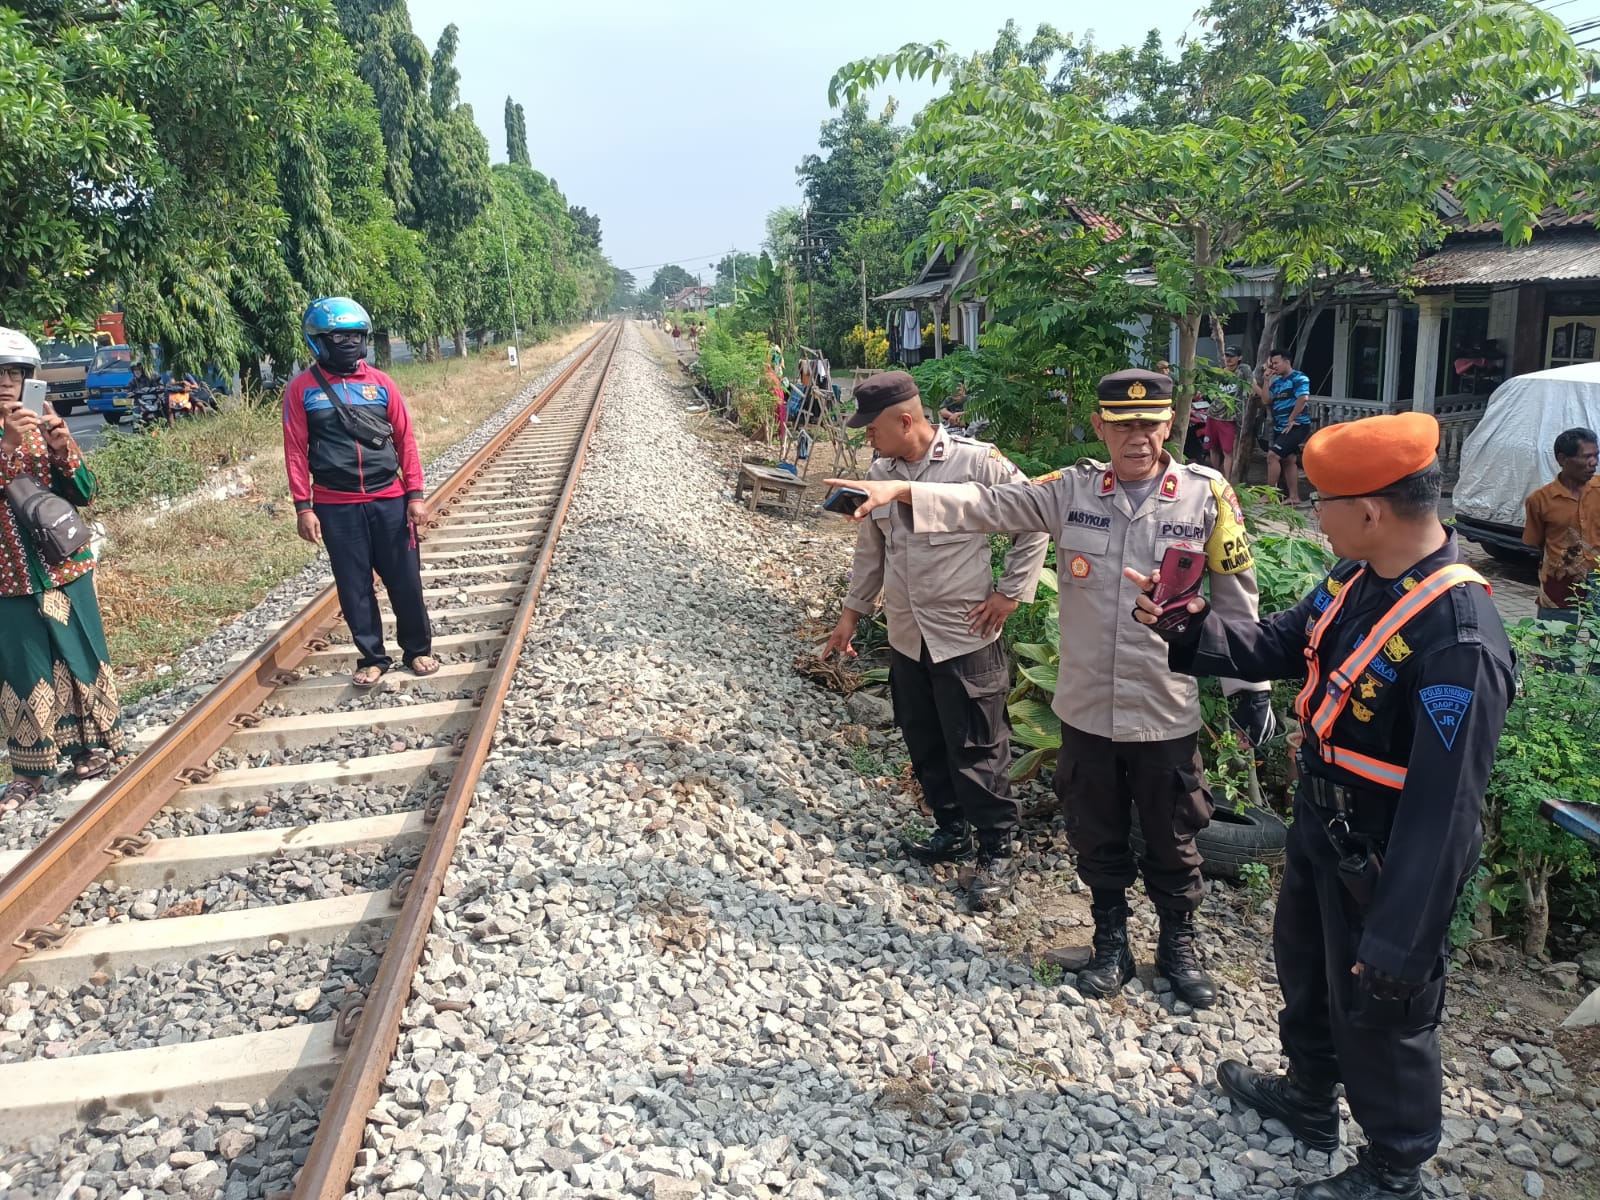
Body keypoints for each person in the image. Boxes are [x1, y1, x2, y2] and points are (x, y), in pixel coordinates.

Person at [1128, 412, 1514, 1200]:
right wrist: (1189, 624)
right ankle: (1310, 1096)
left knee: (1383, 1000)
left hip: (1390, 843)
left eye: (1320, 502)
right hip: (1323, 817)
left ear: (1370, 510)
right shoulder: (1354, 579)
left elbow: (1444, 813)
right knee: (1306, 965)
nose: (1311, 513)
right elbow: (1277, 643)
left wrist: (1404, 938)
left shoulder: (1457, 638)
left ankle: (1393, 1165)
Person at [829, 369, 1276, 1008]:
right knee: (1094, 831)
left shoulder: (1206, 497)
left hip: (1163, 706)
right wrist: (903, 489)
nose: (1137, 438)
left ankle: (1179, 947)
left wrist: (1248, 687)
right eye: (1122, 425)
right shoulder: (1071, 492)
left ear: (1169, 425)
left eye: (1149, 424)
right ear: (1099, 427)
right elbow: (984, 507)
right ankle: (1110, 943)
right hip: (1087, 706)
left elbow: (1236, 598)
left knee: (1175, 833)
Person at [821, 371, 1049, 910]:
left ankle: (997, 850)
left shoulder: (977, 462)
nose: (866, 439)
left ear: (905, 420)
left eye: (872, 428)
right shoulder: (880, 471)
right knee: (923, 737)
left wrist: (1011, 593)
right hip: (906, 634)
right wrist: (850, 617)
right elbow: (870, 551)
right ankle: (951, 829)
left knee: (977, 745)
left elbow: (1035, 518)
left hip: (963, 633)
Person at [283, 297, 437, 688]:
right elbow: (295, 451)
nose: (349, 342)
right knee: (354, 586)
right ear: (318, 340)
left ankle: (418, 650)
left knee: (405, 579)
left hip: (389, 499)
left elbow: (406, 440)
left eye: (356, 335)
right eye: (339, 336)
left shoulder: (382, 383)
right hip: (337, 507)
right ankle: (373, 657)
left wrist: (415, 494)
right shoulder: (302, 391)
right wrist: (304, 507)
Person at [0, 327, 124, 811]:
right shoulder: (13, 436)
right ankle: (29, 771)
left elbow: (84, 494)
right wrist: (6, 447)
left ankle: (93, 746)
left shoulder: (38, 423)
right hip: (8, 580)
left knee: (78, 655)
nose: (7, 383)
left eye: (15, 374)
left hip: (64, 568)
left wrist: (61, 446)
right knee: (24, 667)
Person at [1521, 426, 1599, 621]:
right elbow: (1537, 542)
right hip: (1558, 579)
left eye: (1596, 455)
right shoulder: (1539, 500)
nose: (1594, 463)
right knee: (1555, 645)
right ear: (1563, 459)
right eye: (1586, 457)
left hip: (1598, 577)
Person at [1258, 348, 1313, 504]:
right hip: (1280, 427)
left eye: (1276, 363)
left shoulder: (1299, 378)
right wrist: (1267, 380)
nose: (1274, 366)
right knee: (1289, 459)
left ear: (1286, 362)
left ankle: (1270, 494)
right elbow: (1266, 400)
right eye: (1272, 363)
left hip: (1297, 425)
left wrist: (1291, 418)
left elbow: (1303, 398)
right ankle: (1294, 496)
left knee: (1272, 456)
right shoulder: (1278, 382)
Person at [1211, 346, 1252, 479]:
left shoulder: (1243, 370)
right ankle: (1214, 475)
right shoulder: (1220, 373)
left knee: (1228, 451)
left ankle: (1227, 479)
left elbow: (1251, 385)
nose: (1228, 359)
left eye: (1232, 356)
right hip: (1213, 415)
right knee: (1212, 447)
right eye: (1227, 356)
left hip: (1229, 418)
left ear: (1239, 358)